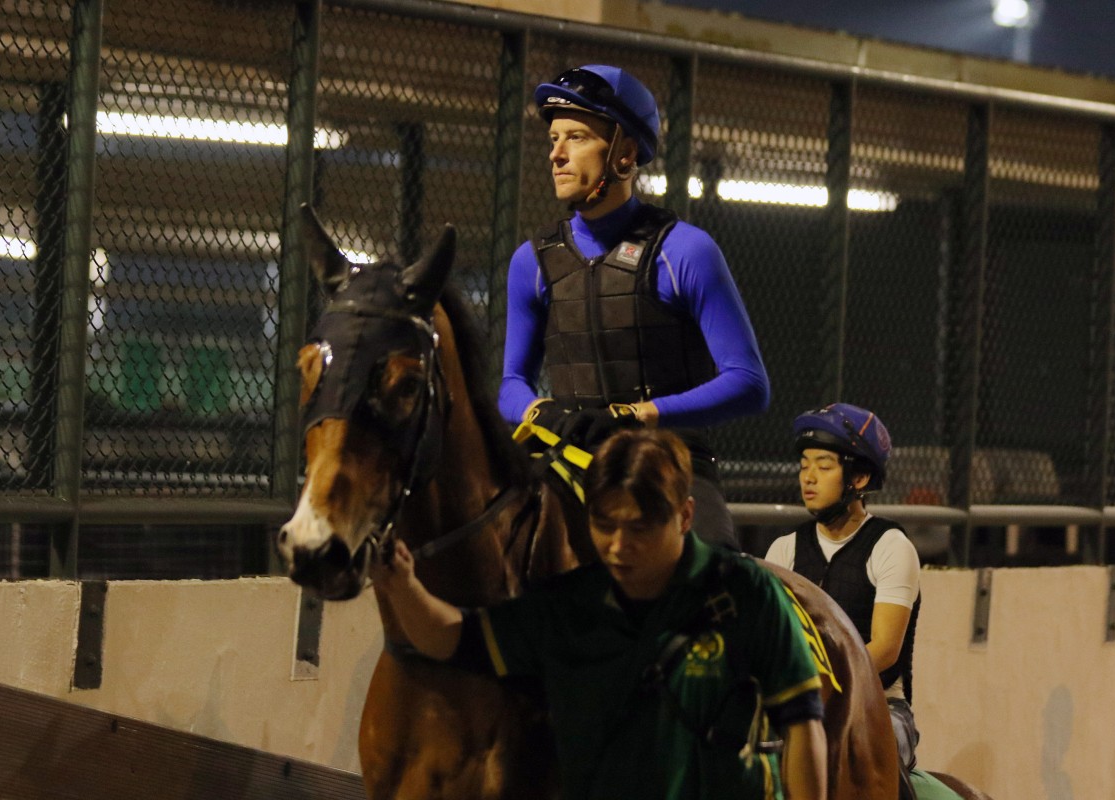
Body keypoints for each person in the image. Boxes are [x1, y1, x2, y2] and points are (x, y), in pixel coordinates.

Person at [379, 429, 828, 800]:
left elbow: (803, 723)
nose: (618, 545)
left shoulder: (748, 593)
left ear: (686, 515)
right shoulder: (566, 606)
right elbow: (449, 637)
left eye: (639, 528)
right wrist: (404, 587)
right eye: (604, 524)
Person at [500, 63, 769, 551]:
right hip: (569, 463)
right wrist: (542, 413)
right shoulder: (530, 261)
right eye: (554, 139)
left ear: (624, 152)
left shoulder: (686, 251)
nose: (556, 154)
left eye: (576, 137)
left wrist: (635, 415)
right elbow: (510, 385)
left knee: (715, 571)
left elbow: (750, 384)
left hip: (670, 464)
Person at [764, 403, 922, 780]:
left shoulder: (891, 546)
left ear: (860, 478)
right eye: (804, 465)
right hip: (797, 704)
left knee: (856, 757)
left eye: (824, 466)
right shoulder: (783, 550)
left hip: (881, 707)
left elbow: (885, 648)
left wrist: (815, 684)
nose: (808, 477)